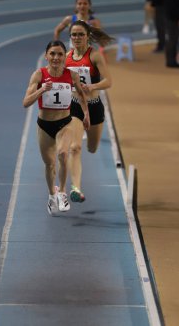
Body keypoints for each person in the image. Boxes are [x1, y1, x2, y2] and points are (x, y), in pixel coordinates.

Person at [22, 40, 90, 215]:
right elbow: (26, 102)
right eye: (52, 53)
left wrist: (86, 114)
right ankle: (52, 194)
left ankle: (62, 193)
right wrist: (41, 90)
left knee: (63, 154)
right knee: (49, 164)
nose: (56, 57)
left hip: (64, 123)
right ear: (46, 56)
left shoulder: (72, 75)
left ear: (64, 56)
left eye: (60, 54)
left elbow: (82, 96)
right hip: (44, 125)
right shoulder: (39, 75)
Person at [65, 20, 112, 202]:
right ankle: (76, 188)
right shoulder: (67, 57)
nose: (77, 38)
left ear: (87, 36)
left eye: (80, 34)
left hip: (94, 106)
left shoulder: (94, 56)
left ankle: (91, 143)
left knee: (92, 148)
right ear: (70, 38)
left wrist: (92, 85)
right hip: (75, 106)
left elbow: (108, 81)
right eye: (74, 35)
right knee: (75, 147)